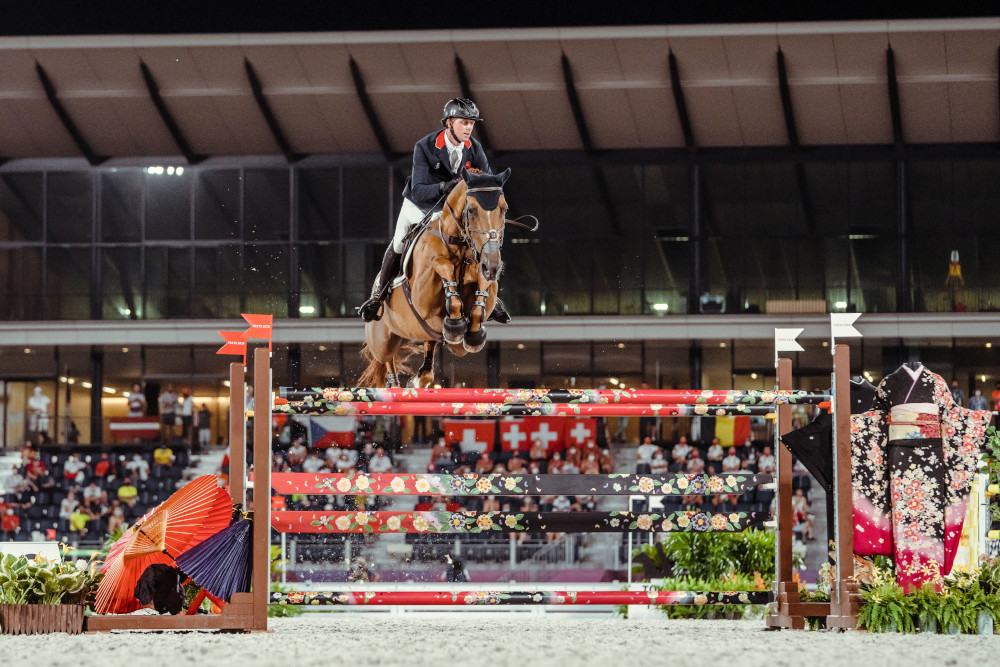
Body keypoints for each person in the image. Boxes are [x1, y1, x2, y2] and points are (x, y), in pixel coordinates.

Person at [358, 97, 509, 324]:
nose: (469, 128)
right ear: (449, 123)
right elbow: (418, 190)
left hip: (454, 212)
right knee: (399, 241)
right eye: (463, 122)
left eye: (471, 123)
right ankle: (379, 295)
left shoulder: (475, 148)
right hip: (421, 206)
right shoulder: (425, 146)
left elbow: (483, 184)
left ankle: (491, 297)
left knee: (478, 240)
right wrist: (443, 187)